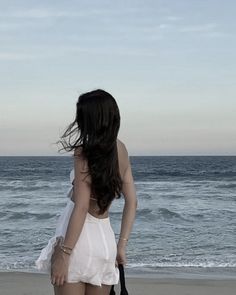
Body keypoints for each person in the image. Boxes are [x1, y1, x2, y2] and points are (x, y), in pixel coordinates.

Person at [35, 89, 137, 295]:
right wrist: (122, 245)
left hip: (78, 245)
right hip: (105, 243)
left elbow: (81, 207)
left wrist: (64, 254)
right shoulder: (122, 149)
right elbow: (132, 202)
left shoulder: (84, 151)